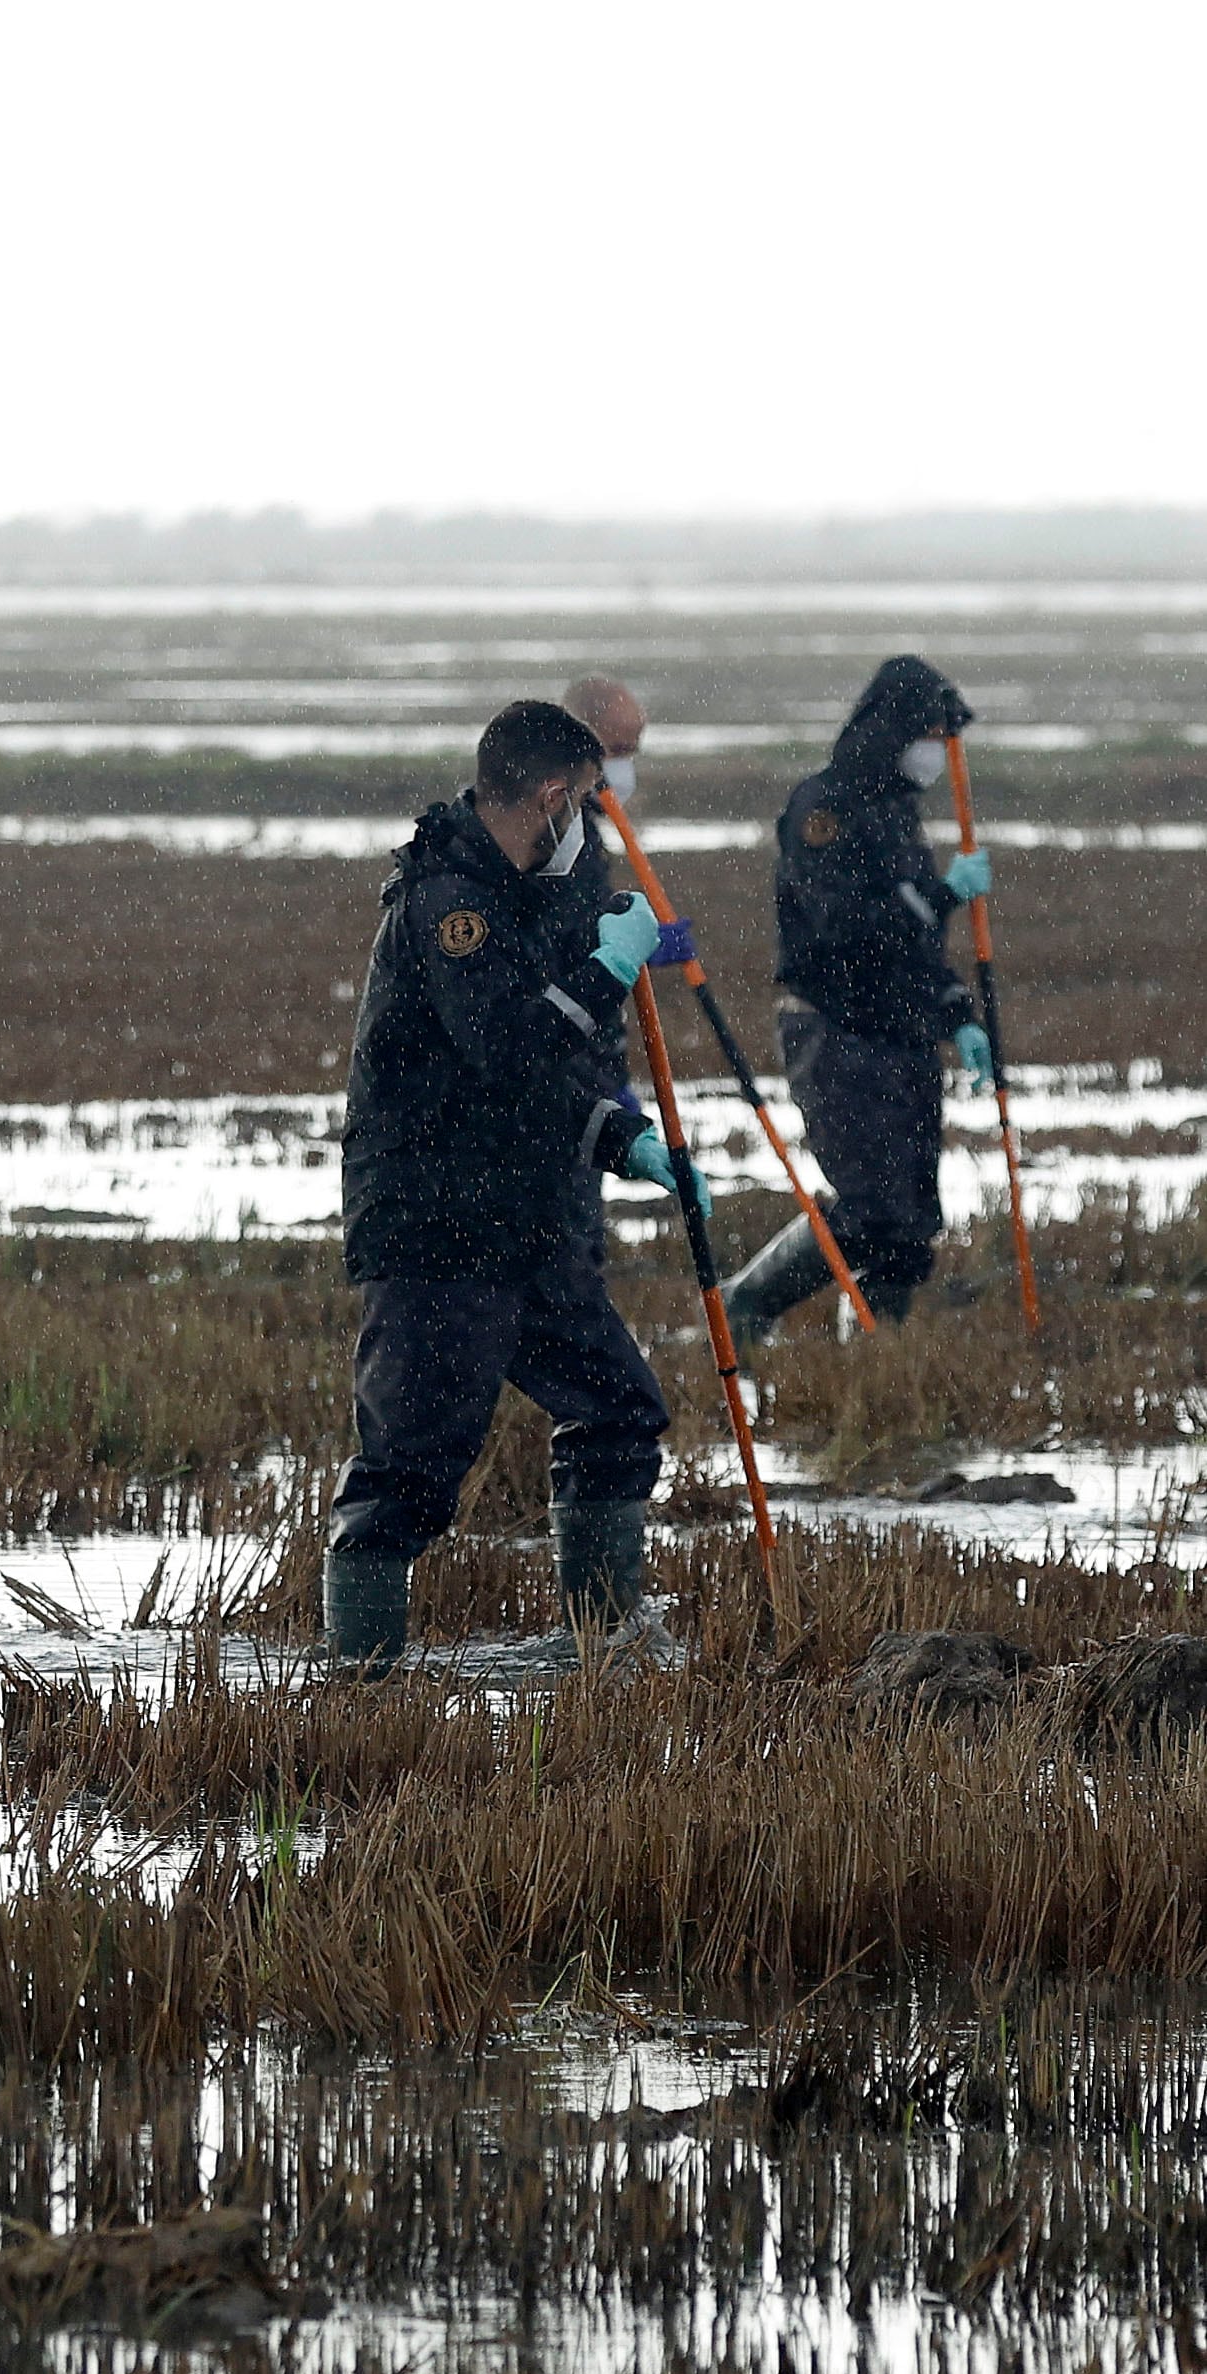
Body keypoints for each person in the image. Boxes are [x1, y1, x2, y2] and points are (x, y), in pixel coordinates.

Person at [325, 700, 711, 1670]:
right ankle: (357, 1681)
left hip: (524, 1215)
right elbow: (506, 1048)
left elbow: (549, 1081)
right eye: (581, 800)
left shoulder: (539, 885)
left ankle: (601, 1644)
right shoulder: (446, 902)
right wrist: (606, 971)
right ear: (549, 795)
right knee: (409, 1469)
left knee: (617, 1411)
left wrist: (624, 1143)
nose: (587, 820)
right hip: (432, 1223)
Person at [728, 655, 991, 1342]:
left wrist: (958, 1011)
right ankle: (746, 1303)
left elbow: (917, 945)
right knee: (871, 1205)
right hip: (836, 1029)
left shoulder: (899, 814)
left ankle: (875, 1360)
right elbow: (847, 929)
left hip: (903, 1030)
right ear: (894, 728)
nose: (936, 750)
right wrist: (940, 897)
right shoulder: (826, 809)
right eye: (928, 732)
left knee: (910, 1222)